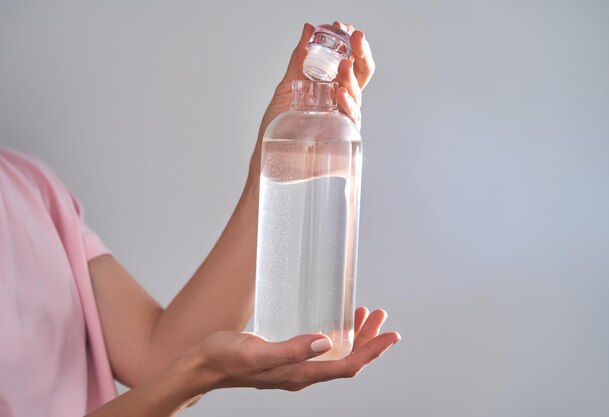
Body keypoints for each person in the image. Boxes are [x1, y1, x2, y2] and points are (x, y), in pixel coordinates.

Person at [0, 21, 400, 417]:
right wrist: (200, 371)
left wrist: (274, 171)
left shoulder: (24, 185)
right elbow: (180, 370)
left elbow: (157, 356)